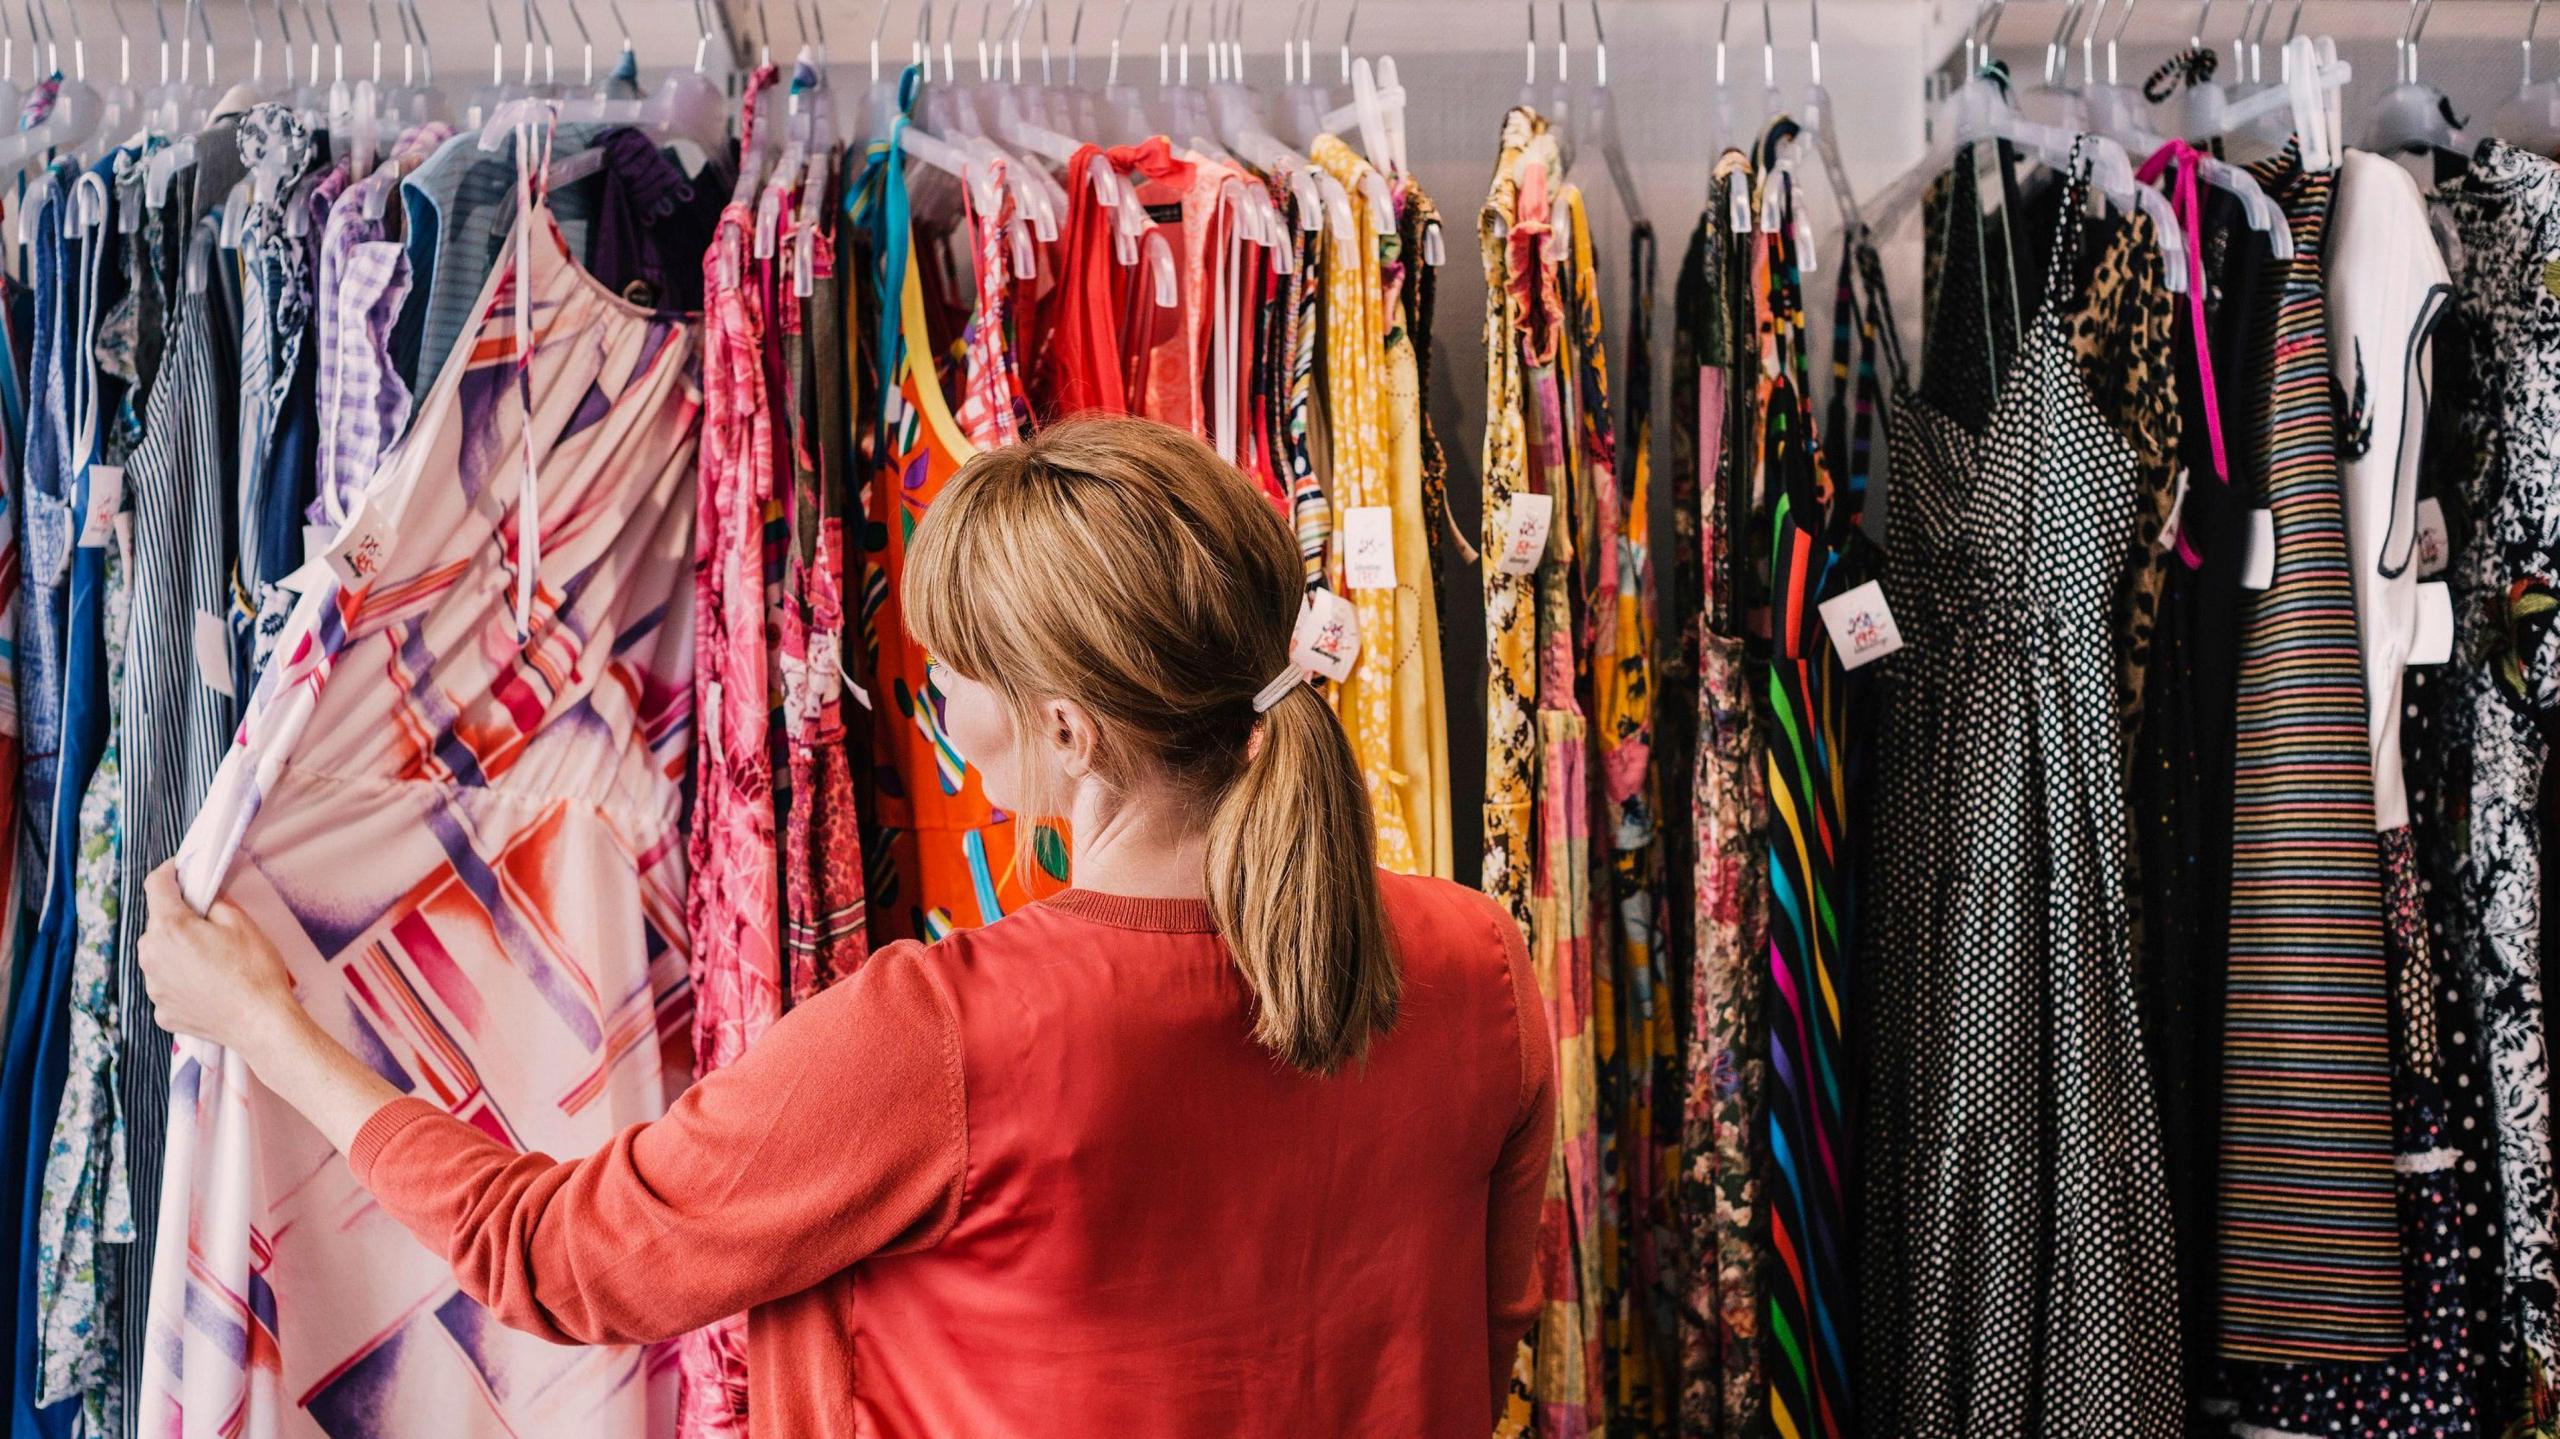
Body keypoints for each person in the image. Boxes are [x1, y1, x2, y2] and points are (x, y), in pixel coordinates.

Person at [137, 415, 1556, 1437]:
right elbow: (1480, 1345)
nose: (940, 714)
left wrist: (269, 1026)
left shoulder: (948, 1037)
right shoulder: (1478, 966)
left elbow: (562, 1257)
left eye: (955, 677)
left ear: (1068, 729)